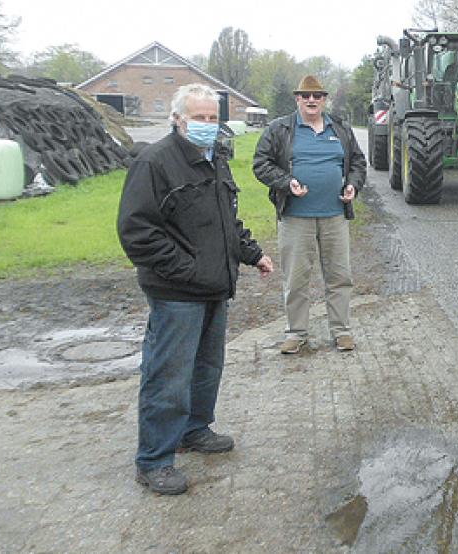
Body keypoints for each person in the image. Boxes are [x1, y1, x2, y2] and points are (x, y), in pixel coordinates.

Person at [117, 83, 274, 495]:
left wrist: (252, 254)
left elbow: (226, 221)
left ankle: (194, 430)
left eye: (212, 118)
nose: (207, 125)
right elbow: (137, 232)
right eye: (199, 118)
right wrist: (185, 269)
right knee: (168, 375)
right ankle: (153, 460)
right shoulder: (155, 163)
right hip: (176, 293)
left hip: (214, 287)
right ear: (178, 119)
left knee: (207, 368)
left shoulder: (215, 158)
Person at [253, 75, 366, 354]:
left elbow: (359, 163)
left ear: (324, 99)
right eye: (305, 96)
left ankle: (341, 332)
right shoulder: (279, 129)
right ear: (297, 99)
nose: (311, 100)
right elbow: (261, 163)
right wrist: (286, 182)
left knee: (340, 276)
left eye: (317, 96)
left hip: (334, 216)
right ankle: (296, 333)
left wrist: (353, 184)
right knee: (296, 279)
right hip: (295, 218)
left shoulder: (340, 128)